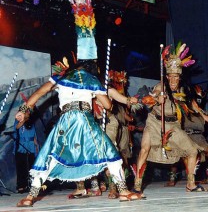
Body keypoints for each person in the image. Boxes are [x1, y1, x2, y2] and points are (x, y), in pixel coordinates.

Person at [14, 61, 142, 207]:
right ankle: (124, 192)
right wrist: (103, 100)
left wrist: (24, 111)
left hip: (65, 122)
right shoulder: (92, 80)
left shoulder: (60, 78)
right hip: (84, 122)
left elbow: (38, 93)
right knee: (109, 152)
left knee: (51, 156)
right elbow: (107, 105)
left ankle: (30, 196)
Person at [133, 43, 208, 196]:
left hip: (173, 126)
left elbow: (192, 103)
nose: (174, 80)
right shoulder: (161, 85)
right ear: (167, 77)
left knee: (193, 151)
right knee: (144, 149)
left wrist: (203, 114)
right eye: (172, 77)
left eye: (177, 77)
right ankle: (137, 186)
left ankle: (190, 183)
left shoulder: (182, 90)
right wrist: (156, 99)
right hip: (155, 123)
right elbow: (152, 96)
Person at [13, 116, 39, 193]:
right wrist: (23, 119)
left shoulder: (31, 121)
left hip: (31, 145)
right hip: (21, 145)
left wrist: (36, 145)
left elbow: (34, 134)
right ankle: (21, 186)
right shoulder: (18, 119)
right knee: (21, 166)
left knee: (31, 165)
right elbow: (17, 127)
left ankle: (32, 185)